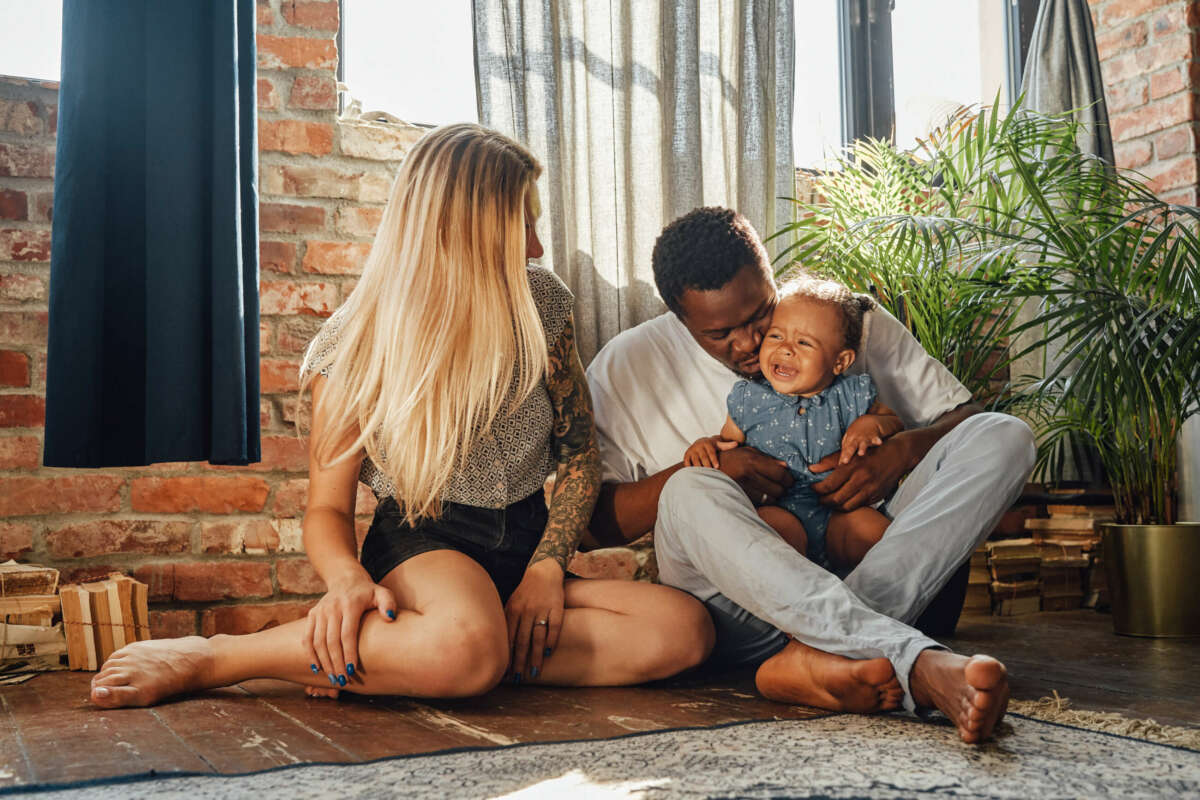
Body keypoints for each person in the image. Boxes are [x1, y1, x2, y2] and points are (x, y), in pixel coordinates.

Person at [88, 124, 714, 709]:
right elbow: (327, 510)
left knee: (681, 632)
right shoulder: (355, 344)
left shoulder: (544, 304)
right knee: (465, 646)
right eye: (520, 227)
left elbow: (579, 456)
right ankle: (225, 657)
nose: (538, 246)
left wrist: (549, 566)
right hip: (427, 544)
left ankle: (423, 655)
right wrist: (345, 582)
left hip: (526, 547)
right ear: (462, 230)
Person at [586, 207, 1036, 743]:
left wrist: (901, 451)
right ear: (679, 320)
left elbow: (958, 413)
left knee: (1004, 434)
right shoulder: (627, 364)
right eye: (720, 334)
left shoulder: (842, 319)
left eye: (759, 317)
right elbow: (596, 522)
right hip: (741, 611)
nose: (751, 344)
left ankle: (817, 657)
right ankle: (909, 658)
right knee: (690, 487)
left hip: (866, 554)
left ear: (771, 276)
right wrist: (718, 469)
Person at [683, 274, 902, 566]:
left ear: (841, 361)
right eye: (776, 336)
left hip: (839, 512)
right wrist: (706, 444)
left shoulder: (852, 395)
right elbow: (727, 445)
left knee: (881, 537)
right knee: (764, 537)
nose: (786, 349)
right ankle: (795, 596)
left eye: (804, 342)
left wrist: (872, 424)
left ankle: (872, 600)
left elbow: (894, 422)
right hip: (780, 512)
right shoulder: (749, 399)